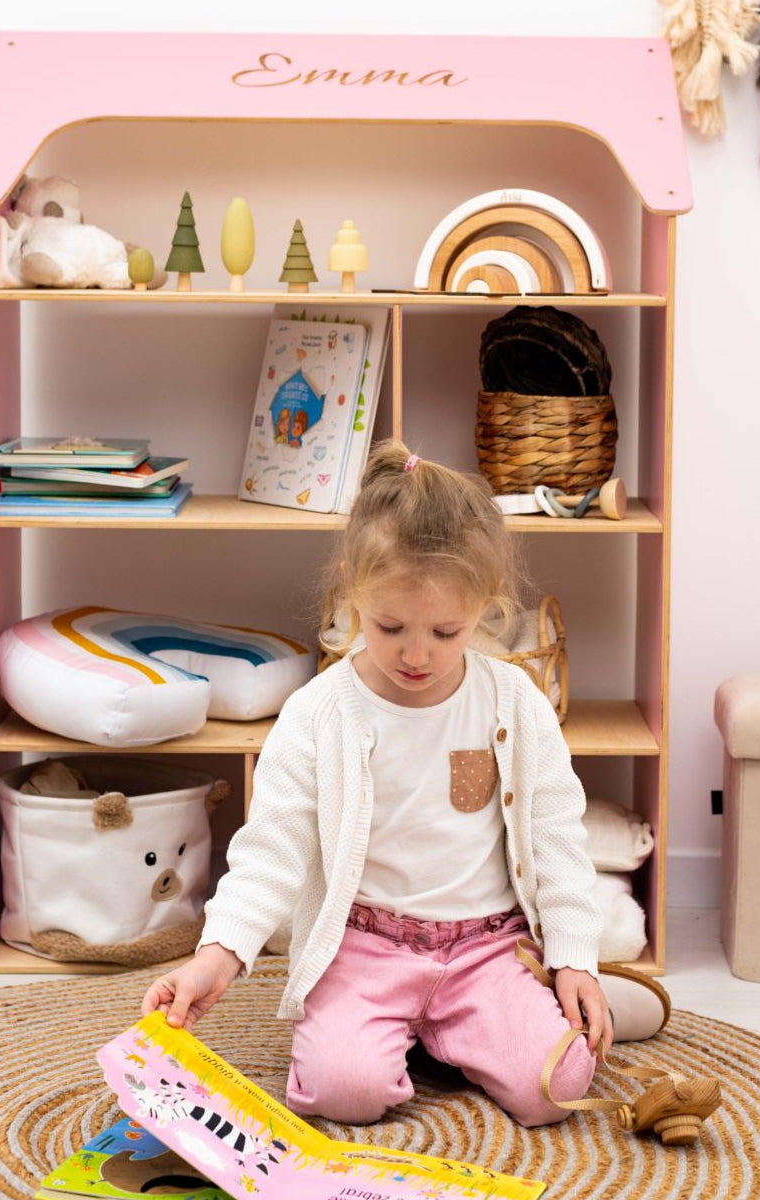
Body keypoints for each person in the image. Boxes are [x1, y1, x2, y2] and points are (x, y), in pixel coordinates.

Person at [141, 441, 666, 1127]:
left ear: (485, 606)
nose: (416, 655)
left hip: (486, 948)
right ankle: (432, 1036)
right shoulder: (317, 713)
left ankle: (552, 1000)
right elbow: (271, 852)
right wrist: (216, 958)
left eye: (445, 631)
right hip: (364, 947)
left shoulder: (513, 703)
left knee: (557, 1087)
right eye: (389, 627)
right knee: (342, 1093)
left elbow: (556, 839)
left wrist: (572, 960)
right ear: (350, 586)